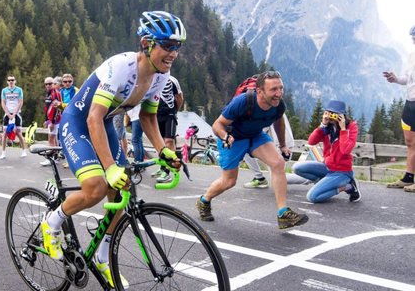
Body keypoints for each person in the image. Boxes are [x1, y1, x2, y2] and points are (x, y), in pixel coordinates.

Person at [40, 10, 185, 288]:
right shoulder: (122, 66)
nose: (173, 53)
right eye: (167, 46)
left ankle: (102, 257)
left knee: (123, 191)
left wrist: (162, 151)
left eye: (177, 47)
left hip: (103, 123)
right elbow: (93, 116)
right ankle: (52, 221)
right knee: (96, 187)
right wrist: (109, 167)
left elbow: (148, 117)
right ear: (147, 43)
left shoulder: (161, 76)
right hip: (80, 122)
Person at [195, 70, 309, 229]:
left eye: (280, 88)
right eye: (273, 90)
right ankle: (204, 200)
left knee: (277, 163)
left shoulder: (278, 105)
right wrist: (225, 137)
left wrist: (282, 144)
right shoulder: (243, 102)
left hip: (255, 136)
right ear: (260, 91)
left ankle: (283, 213)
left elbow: (278, 123)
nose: (278, 93)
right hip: (233, 139)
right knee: (229, 181)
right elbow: (217, 125)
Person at [292, 100, 361, 203]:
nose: (332, 117)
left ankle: (348, 186)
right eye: (330, 113)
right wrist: (323, 124)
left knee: (312, 197)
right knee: (297, 168)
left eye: (335, 114)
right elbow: (311, 141)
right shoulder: (327, 127)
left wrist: (343, 129)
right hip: (327, 166)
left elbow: (345, 150)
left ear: (342, 115)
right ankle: (323, 183)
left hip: (342, 171)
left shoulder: (351, 127)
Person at [383, 25, 415, 193]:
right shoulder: (411, 56)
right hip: (410, 104)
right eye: (413, 37)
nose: (413, 39)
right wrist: (396, 79)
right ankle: (408, 178)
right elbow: (408, 79)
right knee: (410, 143)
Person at [152, 75, 184, 183]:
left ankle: (168, 171)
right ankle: (162, 166)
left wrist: (175, 110)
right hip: (156, 113)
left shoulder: (172, 80)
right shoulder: (152, 78)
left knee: (169, 140)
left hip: (169, 113)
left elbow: (179, 97)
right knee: (160, 141)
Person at [0, 75, 28, 159]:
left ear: (15, 81)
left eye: (12, 80)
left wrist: (14, 114)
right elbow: (3, 103)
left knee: (18, 133)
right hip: (7, 114)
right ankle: (3, 153)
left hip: (17, 114)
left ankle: (24, 150)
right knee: (4, 134)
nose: (11, 81)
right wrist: (8, 114)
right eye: (9, 80)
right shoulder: (4, 90)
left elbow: (20, 102)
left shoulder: (19, 90)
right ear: (7, 82)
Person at [41, 76, 62, 165]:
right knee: (54, 139)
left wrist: (52, 122)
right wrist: (46, 120)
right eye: (46, 84)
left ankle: (51, 158)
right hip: (51, 120)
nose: (48, 85)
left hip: (55, 120)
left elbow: (57, 108)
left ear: (53, 84)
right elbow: (47, 108)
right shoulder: (48, 93)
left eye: (50, 83)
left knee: (51, 139)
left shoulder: (55, 93)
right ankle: (56, 157)